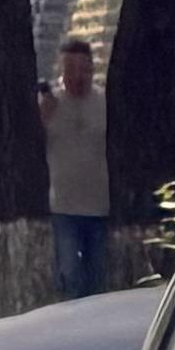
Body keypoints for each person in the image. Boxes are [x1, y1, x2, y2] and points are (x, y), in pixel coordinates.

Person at [40, 39, 112, 297]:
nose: (76, 77)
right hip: (64, 207)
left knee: (97, 277)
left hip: (99, 205)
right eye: (69, 69)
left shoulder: (105, 103)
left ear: (91, 70)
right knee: (70, 275)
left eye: (82, 69)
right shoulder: (51, 105)